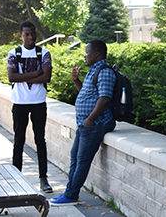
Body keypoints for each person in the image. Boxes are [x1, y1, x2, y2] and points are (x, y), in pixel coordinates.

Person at [50, 39, 117, 205]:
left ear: (97, 53)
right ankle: (70, 192)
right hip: (85, 123)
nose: (84, 56)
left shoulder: (105, 72)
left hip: (96, 123)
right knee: (75, 158)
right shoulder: (93, 70)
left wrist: (91, 119)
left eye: (87, 53)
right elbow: (88, 94)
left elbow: (104, 98)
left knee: (82, 161)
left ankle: (71, 195)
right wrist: (75, 81)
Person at [7, 20, 53, 193]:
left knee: (40, 140)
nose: (31, 37)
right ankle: (16, 176)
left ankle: (43, 178)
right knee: (19, 140)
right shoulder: (14, 53)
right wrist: (35, 73)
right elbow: (11, 77)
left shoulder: (44, 53)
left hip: (38, 103)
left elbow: (46, 77)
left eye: (33, 33)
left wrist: (23, 76)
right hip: (20, 103)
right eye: (27, 34)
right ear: (21, 35)